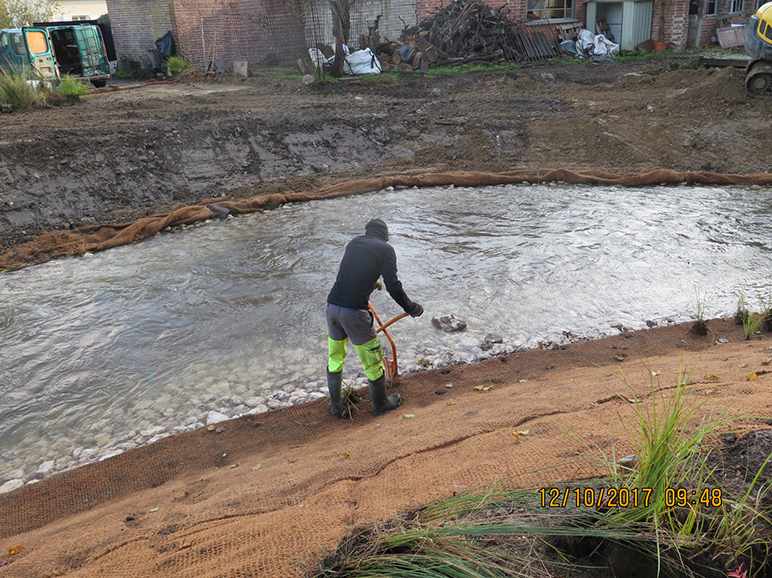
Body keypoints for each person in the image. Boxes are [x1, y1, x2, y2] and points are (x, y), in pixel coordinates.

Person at [326, 218, 423, 417]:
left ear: (368, 232)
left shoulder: (354, 243)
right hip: (354, 312)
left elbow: (353, 272)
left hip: (332, 307)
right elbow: (393, 285)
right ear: (385, 237)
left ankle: (335, 405)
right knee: (373, 360)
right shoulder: (386, 250)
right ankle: (381, 404)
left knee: (335, 357)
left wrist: (373, 282)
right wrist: (411, 307)